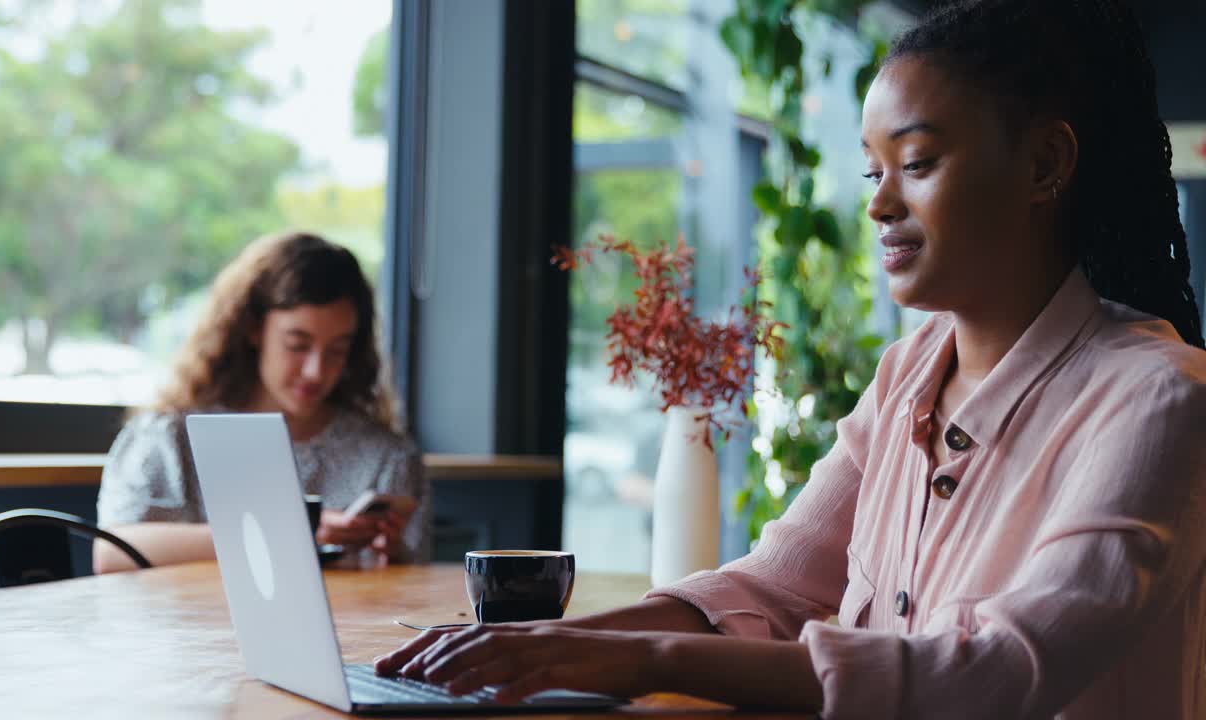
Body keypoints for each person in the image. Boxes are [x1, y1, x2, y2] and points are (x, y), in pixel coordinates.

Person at [374, 1, 1206, 717]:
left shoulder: (1157, 396)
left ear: (1044, 163)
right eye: (873, 170)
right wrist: (542, 645)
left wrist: (640, 660)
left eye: (916, 164)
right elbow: (769, 590)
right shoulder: (908, 374)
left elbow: (998, 668)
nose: (879, 204)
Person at [94, 232, 428, 573]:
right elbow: (111, 554)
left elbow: (413, 592)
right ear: (252, 328)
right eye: (297, 345)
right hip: (185, 625)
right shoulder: (171, 436)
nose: (316, 371)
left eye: (338, 350)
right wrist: (290, 533)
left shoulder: (386, 457)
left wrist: (395, 556)